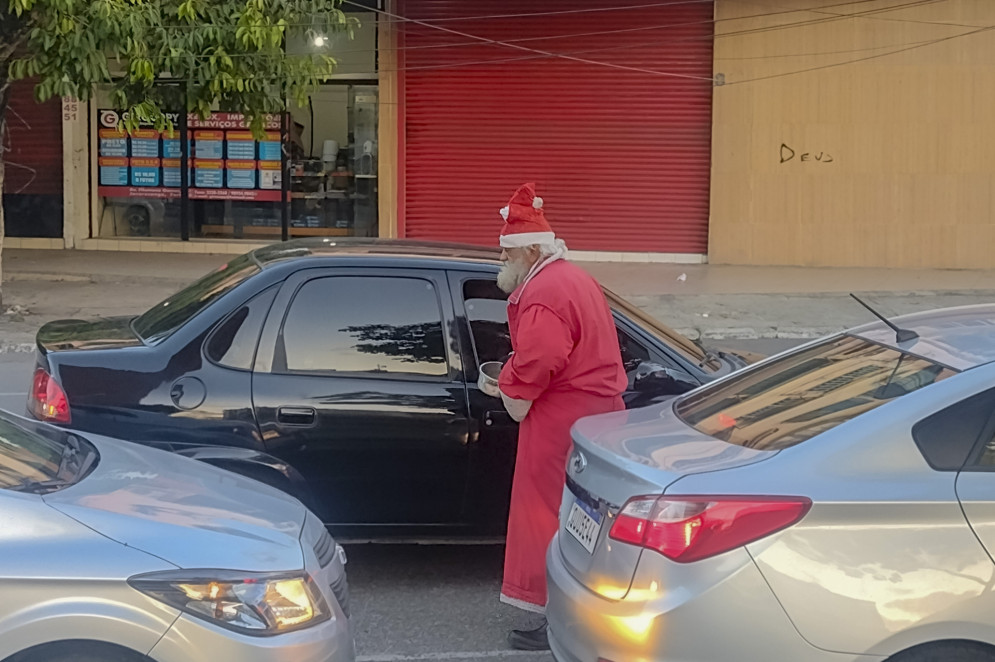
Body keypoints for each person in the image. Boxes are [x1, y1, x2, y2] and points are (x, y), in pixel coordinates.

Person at [493, 183, 627, 651]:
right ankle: (587, 607)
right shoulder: (571, 278)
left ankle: (549, 615)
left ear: (528, 251)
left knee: (543, 513)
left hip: (561, 418)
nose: (501, 260)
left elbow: (539, 358)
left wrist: (508, 382)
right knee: (584, 517)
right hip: (595, 414)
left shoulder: (544, 292)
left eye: (506, 253)